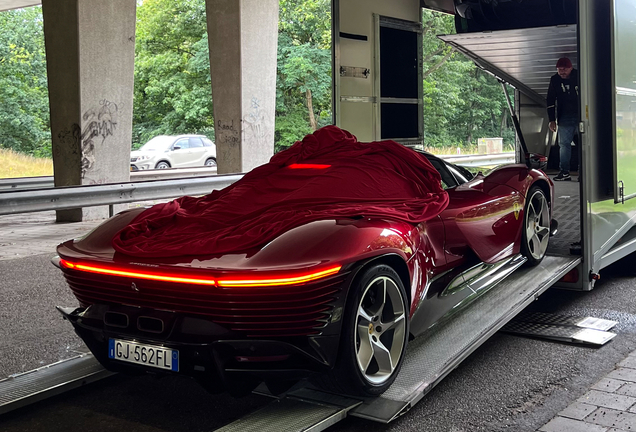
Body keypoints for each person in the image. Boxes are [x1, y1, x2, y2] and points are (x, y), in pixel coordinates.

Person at [546, 57, 579, 181]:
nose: (562, 72)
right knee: (564, 145)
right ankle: (564, 172)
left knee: (584, 145)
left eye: (564, 70)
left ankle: (584, 172)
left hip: (581, 115)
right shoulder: (554, 80)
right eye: (559, 70)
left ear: (571, 68)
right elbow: (550, 99)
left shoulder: (579, 76)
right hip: (564, 116)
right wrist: (551, 119)